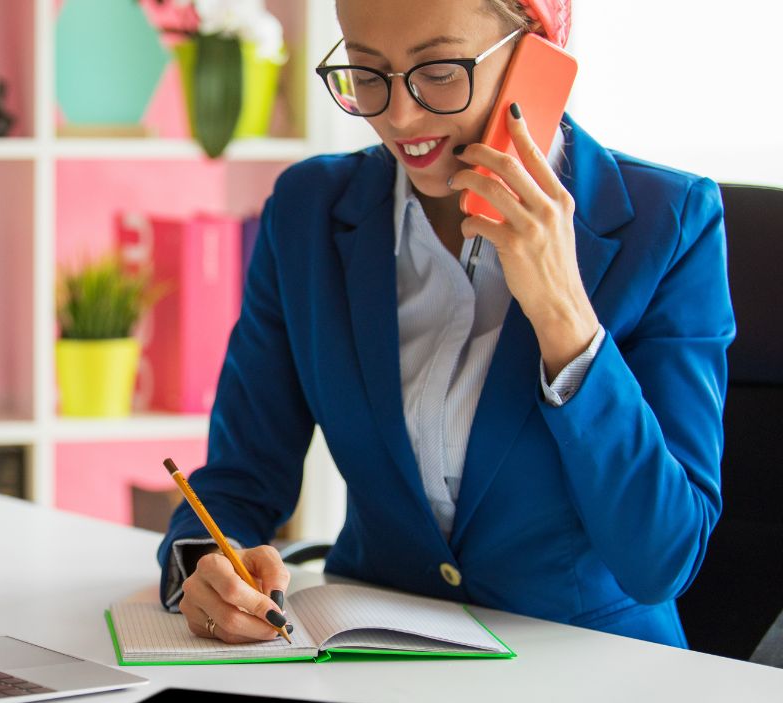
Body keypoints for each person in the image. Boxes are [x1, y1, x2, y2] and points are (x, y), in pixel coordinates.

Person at [157, 0, 735, 648]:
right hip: (376, 662)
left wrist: (563, 314)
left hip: (593, 675)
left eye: (437, 70)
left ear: (535, 52)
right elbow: (237, 480)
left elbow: (662, 557)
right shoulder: (309, 211)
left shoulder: (671, 223)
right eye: (367, 72)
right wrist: (205, 566)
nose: (398, 116)